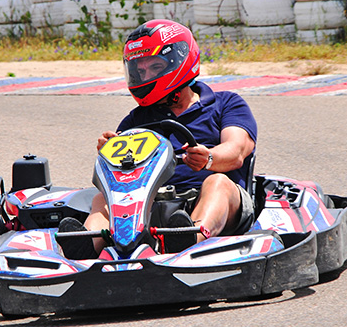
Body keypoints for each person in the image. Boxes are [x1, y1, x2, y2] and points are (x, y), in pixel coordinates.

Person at [59, 19, 257, 259]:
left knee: (217, 183)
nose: (146, 76)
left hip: (219, 205)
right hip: (150, 203)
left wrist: (209, 158)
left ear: (179, 61)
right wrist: (109, 152)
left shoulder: (225, 103)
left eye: (155, 67)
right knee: (103, 198)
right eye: (140, 71)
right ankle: (85, 246)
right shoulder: (136, 120)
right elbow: (122, 176)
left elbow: (237, 150)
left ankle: (188, 239)